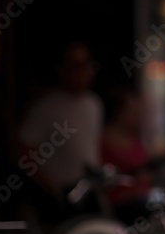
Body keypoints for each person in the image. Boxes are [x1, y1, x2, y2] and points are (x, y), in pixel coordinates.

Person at [16, 41, 104, 203]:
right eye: (76, 67)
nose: (83, 73)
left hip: (89, 190)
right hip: (59, 195)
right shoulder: (46, 107)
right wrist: (52, 189)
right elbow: (24, 152)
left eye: (86, 66)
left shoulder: (93, 103)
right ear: (62, 69)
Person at [99, 84, 153, 208]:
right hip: (120, 204)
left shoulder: (137, 139)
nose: (137, 118)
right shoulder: (103, 141)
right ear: (119, 113)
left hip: (142, 199)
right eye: (132, 113)